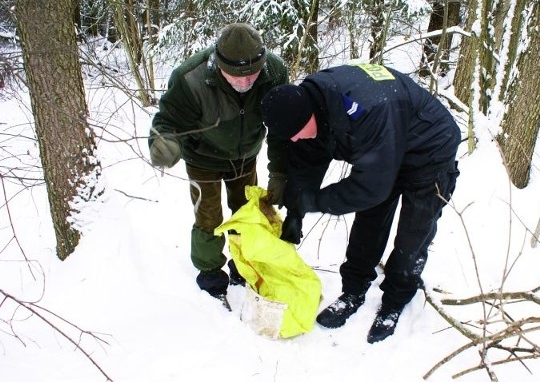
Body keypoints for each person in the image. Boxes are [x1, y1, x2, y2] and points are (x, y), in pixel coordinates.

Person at [260, 63, 460, 343]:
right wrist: (296, 210)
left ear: (310, 115)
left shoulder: (365, 110)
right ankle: (353, 291)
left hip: (429, 151)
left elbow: (370, 187)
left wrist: (315, 200)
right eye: (289, 136)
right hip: (382, 146)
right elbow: (307, 161)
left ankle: (394, 302)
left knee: (412, 236)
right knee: (370, 223)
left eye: (296, 132)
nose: (294, 138)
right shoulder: (308, 106)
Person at [148, 23, 289, 309]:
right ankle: (211, 276)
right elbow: (167, 120)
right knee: (209, 218)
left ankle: (243, 264)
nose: (245, 82)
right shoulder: (190, 78)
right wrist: (164, 143)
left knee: (247, 213)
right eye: (236, 76)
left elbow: (281, 126)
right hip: (203, 160)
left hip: (246, 156)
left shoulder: (274, 72)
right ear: (218, 64)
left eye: (251, 74)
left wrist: (281, 172)